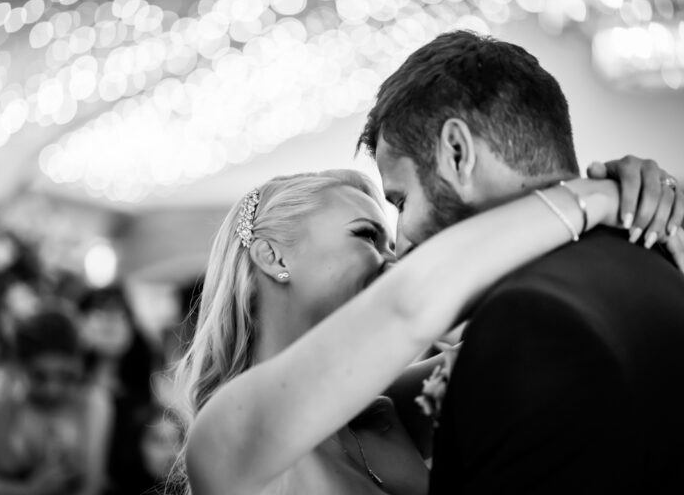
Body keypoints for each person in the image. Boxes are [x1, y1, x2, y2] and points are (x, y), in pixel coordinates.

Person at [171, 163, 681, 495]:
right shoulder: (226, 431)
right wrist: (593, 198)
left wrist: (649, 221)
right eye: (367, 235)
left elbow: (540, 341)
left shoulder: (379, 411)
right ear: (272, 254)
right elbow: (411, 305)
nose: (393, 263)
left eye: (393, 247)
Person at [358, 30, 684, 493]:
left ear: (457, 153)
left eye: (401, 200)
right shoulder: (654, 257)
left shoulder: (526, 322)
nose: (401, 240)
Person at [0, 308, 111, 495]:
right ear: (21, 367)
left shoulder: (92, 405)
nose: (52, 389)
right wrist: (30, 489)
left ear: (81, 365)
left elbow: (92, 486)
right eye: (39, 377)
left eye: (67, 377)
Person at [77, 285, 160, 495]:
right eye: (100, 311)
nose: (110, 320)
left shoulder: (142, 399)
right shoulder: (70, 391)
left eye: (119, 313)